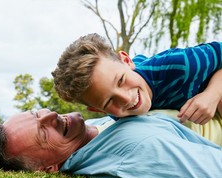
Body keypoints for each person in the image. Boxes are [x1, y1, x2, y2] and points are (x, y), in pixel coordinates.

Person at [0, 109, 222, 178]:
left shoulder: (96, 123)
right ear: (49, 168)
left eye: (36, 112)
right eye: (43, 132)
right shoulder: (138, 150)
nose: (51, 116)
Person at [52, 33, 222, 125]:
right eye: (109, 101)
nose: (126, 99)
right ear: (100, 110)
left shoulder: (182, 65)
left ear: (127, 60)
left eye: (120, 81)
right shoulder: (117, 116)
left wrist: (212, 94)